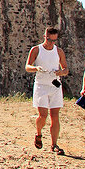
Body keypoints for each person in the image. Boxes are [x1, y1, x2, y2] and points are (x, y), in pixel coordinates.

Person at [26, 26, 69, 155]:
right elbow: (28, 66)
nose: (52, 43)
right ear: (45, 37)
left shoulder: (59, 51)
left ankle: (54, 144)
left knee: (55, 116)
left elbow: (66, 69)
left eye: (54, 41)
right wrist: (36, 68)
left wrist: (61, 72)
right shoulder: (36, 50)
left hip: (55, 85)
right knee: (43, 115)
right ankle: (38, 133)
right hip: (41, 85)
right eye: (50, 40)